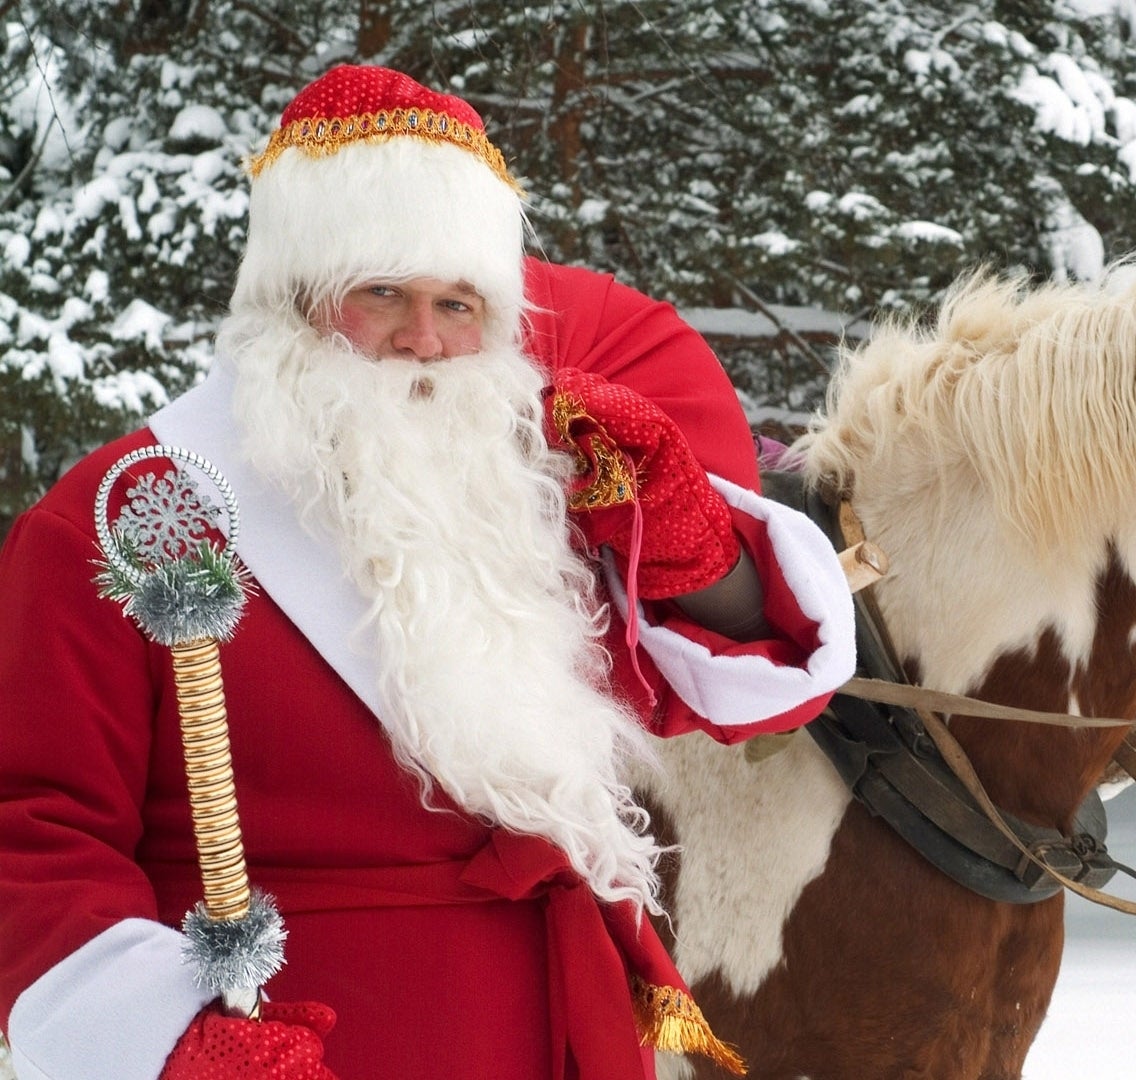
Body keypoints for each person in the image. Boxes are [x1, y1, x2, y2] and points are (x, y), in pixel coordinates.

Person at [0, 65, 854, 1079]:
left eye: (457, 303)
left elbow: (745, 688)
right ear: (293, 295)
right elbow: (32, 833)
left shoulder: (518, 500)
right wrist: (176, 1045)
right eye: (382, 293)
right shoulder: (127, 515)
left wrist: (688, 542)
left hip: (560, 1032)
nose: (425, 340)